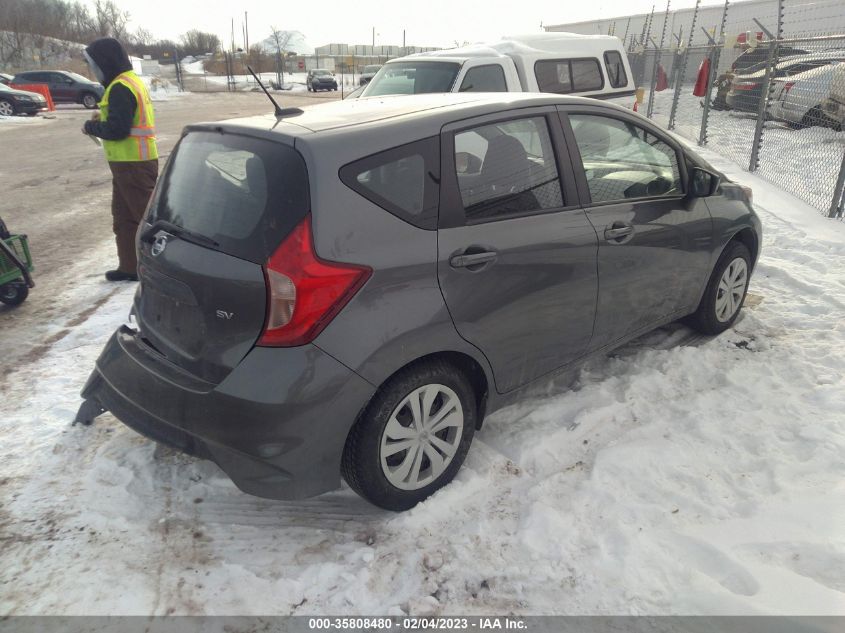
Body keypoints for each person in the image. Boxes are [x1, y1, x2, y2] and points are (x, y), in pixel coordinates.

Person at [82, 37, 158, 282]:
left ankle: (165, 271)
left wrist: (91, 127)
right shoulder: (125, 82)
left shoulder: (120, 87)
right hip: (126, 165)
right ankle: (129, 266)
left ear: (105, 62)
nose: (92, 70)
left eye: (93, 64)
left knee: (148, 223)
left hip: (134, 165)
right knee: (123, 219)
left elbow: (118, 129)